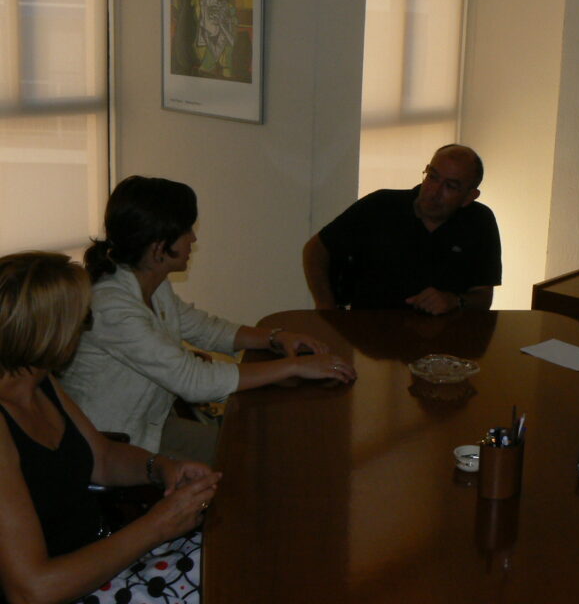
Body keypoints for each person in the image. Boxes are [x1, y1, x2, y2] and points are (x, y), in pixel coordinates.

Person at [60, 176, 357, 465]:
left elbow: (203, 328)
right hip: (113, 444)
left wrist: (274, 337)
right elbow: (193, 381)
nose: (194, 238)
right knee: (251, 462)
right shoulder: (112, 309)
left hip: (151, 426)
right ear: (158, 247)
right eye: (186, 230)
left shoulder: (151, 281)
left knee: (259, 451)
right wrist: (295, 366)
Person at [0, 251, 221, 604]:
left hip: (100, 560)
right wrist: (155, 527)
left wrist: (160, 467)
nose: (85, 327)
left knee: (236, 545)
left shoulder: (39, 381)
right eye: (80, 317)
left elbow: (100, 457)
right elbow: (32, 590)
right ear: (46, 329)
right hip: (67, 589)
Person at [303, 144, 502, 315]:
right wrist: (325, 306)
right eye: (432, 177)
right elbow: (316, 249)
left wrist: (455, 301)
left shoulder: (479, 221)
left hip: (447, 338)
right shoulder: (380, 206)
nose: (434, 191)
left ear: (469, 197)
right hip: (370, 334)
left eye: (450, 186)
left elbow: (483, 297)